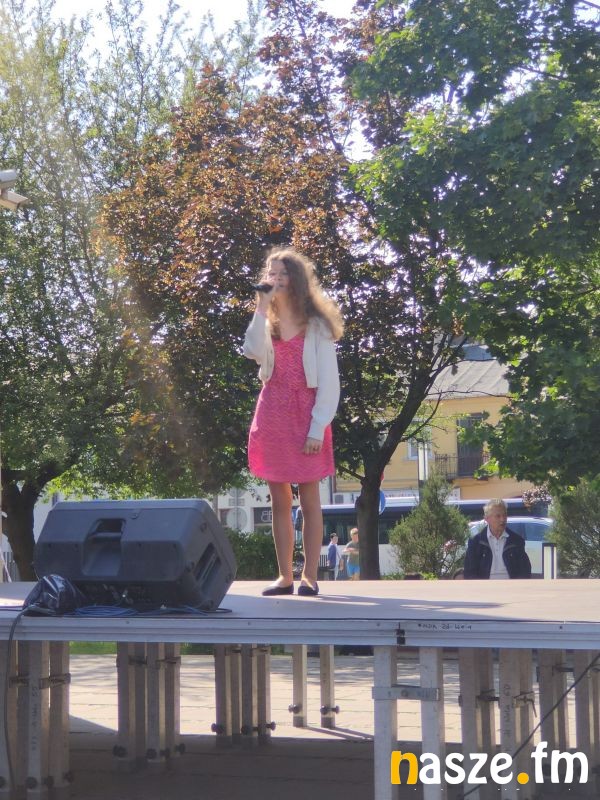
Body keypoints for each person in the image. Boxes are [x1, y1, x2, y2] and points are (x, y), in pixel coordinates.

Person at [243, 246, 344, 597]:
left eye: (282, 274)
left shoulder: (316, 327)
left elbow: (329, 383)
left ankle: (310, 576)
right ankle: (285, 576)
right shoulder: (266, 323)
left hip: (306, 414)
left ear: (296, 279)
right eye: (271, 273)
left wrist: (318, 428)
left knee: (309, 498)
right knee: (279, 500)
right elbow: (251, 350)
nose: (275, 279)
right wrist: (260, 307)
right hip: (273, 413)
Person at [463, 499, 531, 579]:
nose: (502, 519)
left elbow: (525, 571)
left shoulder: (516, 541)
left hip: (511, 585)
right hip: (485, 585)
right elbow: (469, 573)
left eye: (504, 515)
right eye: (498, 516)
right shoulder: (476, 543)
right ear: (487, 519)